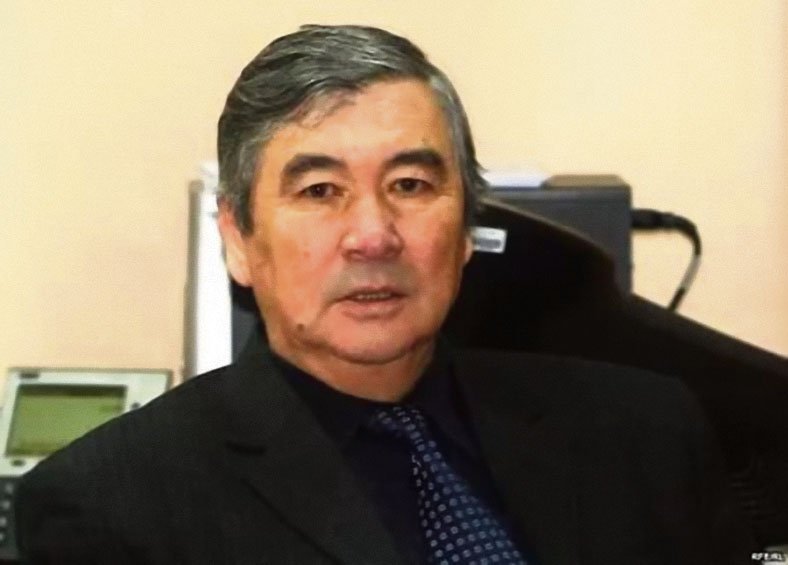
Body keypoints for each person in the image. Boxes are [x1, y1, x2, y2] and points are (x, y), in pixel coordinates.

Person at [16, 24, 754, 564]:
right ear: (238, 239)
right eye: (320, 190)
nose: (373, 235)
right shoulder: (112, 506)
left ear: (466, 229)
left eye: (410, 184)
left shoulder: (646, 435)